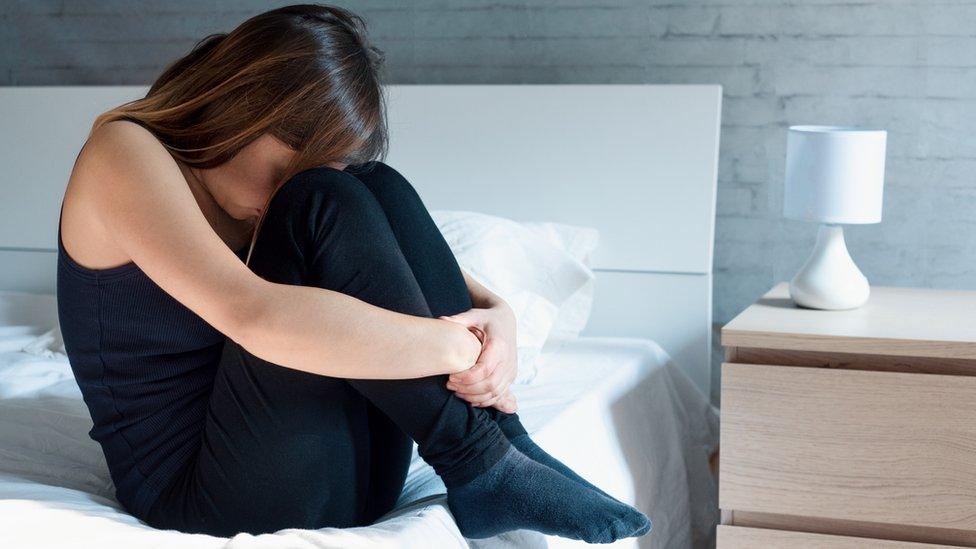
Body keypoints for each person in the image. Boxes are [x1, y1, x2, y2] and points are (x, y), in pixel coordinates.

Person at [57, 4, 650, 542]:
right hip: (201, 496)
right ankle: (481, 462)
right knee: (322, 199)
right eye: (285, 167)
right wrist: (452, 347)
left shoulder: (260, 189)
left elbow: (391, 257)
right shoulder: (125, 152)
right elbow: (254, 316)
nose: (281, 193)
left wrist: (499, 315)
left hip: (339, 473)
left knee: (373, 185)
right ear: (243, 105)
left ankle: (504, 449)